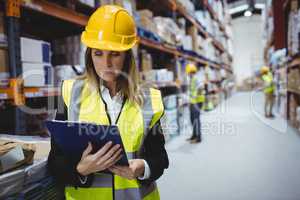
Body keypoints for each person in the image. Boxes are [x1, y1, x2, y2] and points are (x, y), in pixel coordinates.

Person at [47, 5, 169, 200]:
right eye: (98, 54)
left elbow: (160, 158)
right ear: (89, 55)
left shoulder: (150, 99)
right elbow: (55, 161)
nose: (107, 64)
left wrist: (143, 168)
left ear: (127, 56)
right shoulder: (70, 94)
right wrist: (80, 169)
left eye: (115, 54)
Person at [186, 63, 205, 144]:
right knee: (192, 119)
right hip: (192, 102)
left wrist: (195, 97)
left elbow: (201, 87)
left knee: (196, 120)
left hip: (197, 102)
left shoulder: (197, 78)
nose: (188, 74)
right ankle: (193, 135)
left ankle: (198, 138)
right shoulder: (191, 79)